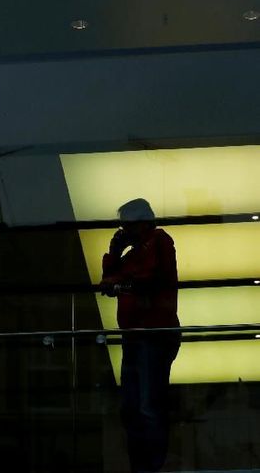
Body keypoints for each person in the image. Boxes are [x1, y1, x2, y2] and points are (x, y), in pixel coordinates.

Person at [100, 198, 180, 472]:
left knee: (148, 405)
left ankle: (153, 466)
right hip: (134, 334)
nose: (123, 231)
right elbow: (108, 281)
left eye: (127, 226)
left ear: (143, 223)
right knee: (132, 407)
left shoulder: (159, 241)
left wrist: (121, 283)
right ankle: (140, 465)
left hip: (154, 333)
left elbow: (151, 278)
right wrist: (114, 251)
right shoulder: (132, 253)